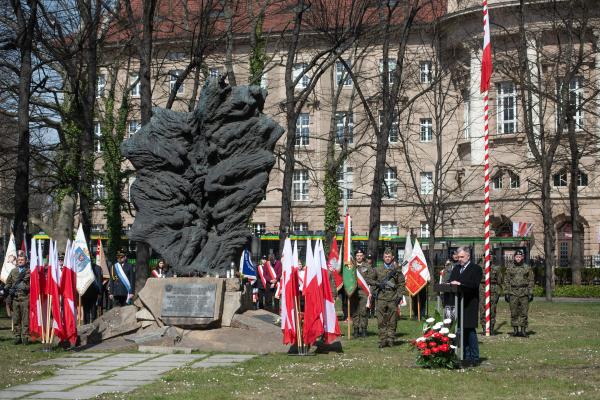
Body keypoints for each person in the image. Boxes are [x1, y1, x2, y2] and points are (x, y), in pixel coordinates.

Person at [449, 246, 482, 367]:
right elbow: (451, 280)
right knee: (460, 330)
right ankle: (464, 356)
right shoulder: (456, 268)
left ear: (468, 256)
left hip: (469, 303)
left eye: (462, 257)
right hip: (457, 303)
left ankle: (474, 357)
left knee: (470, 330)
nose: (460, 259)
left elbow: (474, 284)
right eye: (458, 257)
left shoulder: (476, 269)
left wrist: (461, 284)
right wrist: (451, 283)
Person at [366, 248, 406, 348]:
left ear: (392, 257)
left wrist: (400, 295)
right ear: (383, 257)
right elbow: (368, 279)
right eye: (386, 257)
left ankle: (391, 339)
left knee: (392, 320)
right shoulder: (377, 269)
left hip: (393, 297)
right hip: (381, 298)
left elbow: (401, 283)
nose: (387, 258)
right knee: (381, 320)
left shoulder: (396, 270)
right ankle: (383, 339)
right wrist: (378, 284)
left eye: (389, 257)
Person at [505, 249, 534, 337]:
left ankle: (523, 330)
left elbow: (531, 280)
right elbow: (506, 280)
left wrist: (531, 292)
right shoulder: (510, 267)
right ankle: (515, 330)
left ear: (522, 257)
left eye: (520, 257)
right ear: (514, 258)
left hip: (524, 292)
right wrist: (506, 292)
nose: (518, 258)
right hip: (513, 292)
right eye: (516, 257)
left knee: (524, 312)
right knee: (514, 312)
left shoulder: (527, 268)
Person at [5, 253, 30, 344]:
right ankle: (17, 336)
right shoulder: (13, 271)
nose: (20, 261)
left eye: (22, 260)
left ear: (25, 261)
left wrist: (25, 287)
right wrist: (7, 289)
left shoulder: (29, 271)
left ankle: (25, 337)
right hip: (15, 298)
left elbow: (32, 285)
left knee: (25, 319)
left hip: (25, 298)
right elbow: (8, 282)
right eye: (19, 260)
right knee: (16, 318)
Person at [351, 248, 373, 339]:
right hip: (353, 292)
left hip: (364, 292)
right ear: (355, 256)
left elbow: (371, 278)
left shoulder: (367, 266)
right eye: (357, 256)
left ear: (363, 256)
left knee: (364, 312)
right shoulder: (350, 266)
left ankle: (364, 330)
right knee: (355, 312)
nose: (359, 257)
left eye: (360, 256)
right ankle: (356, 330)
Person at [479, 262, 503, 335]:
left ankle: (491, 328)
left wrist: (498, 292)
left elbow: (499, 281)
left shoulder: (496, 268)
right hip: (482, 289)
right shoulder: (479, 268)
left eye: (491, 255)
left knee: (492, 309)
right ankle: (484, 328)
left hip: (493, 289)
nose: (490, 257)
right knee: (482, 309)